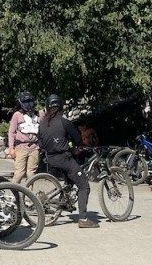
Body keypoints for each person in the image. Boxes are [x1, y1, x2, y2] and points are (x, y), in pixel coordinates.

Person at [38, 94, 97, 228]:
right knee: (84, 185)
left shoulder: (42, 123)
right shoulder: (64, 122)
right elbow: (78, 139)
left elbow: (41, 142)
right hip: (63, 159)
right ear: (60, 107)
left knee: (70, 180)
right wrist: (74, 146)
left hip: (50, 159)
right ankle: (83, 219)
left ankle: (66, 198)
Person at [6, 92, 40, 185]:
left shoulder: (37, 115)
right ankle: (14, 191)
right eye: (25, 102)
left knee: (31, 173)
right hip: (21, 147)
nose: (28, 105)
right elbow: (11, 132)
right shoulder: (17, 115)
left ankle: (29, 193)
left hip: (34, 147)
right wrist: (11, 148)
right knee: (19, 173)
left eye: (30, 102)